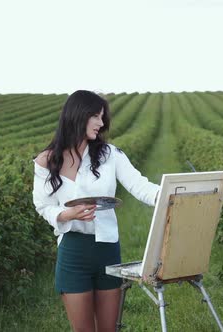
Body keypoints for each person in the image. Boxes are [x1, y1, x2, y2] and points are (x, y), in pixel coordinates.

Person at [32, 90, 160, 332]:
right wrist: (66, 215)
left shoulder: (110, 155)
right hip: (73, 252)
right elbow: (42, 206)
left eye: (103, 118)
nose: (102, 124)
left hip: (107, 250)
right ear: (78, 115)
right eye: (96, 117)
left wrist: (169, 196)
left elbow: (140, 185)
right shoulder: (46, 161)